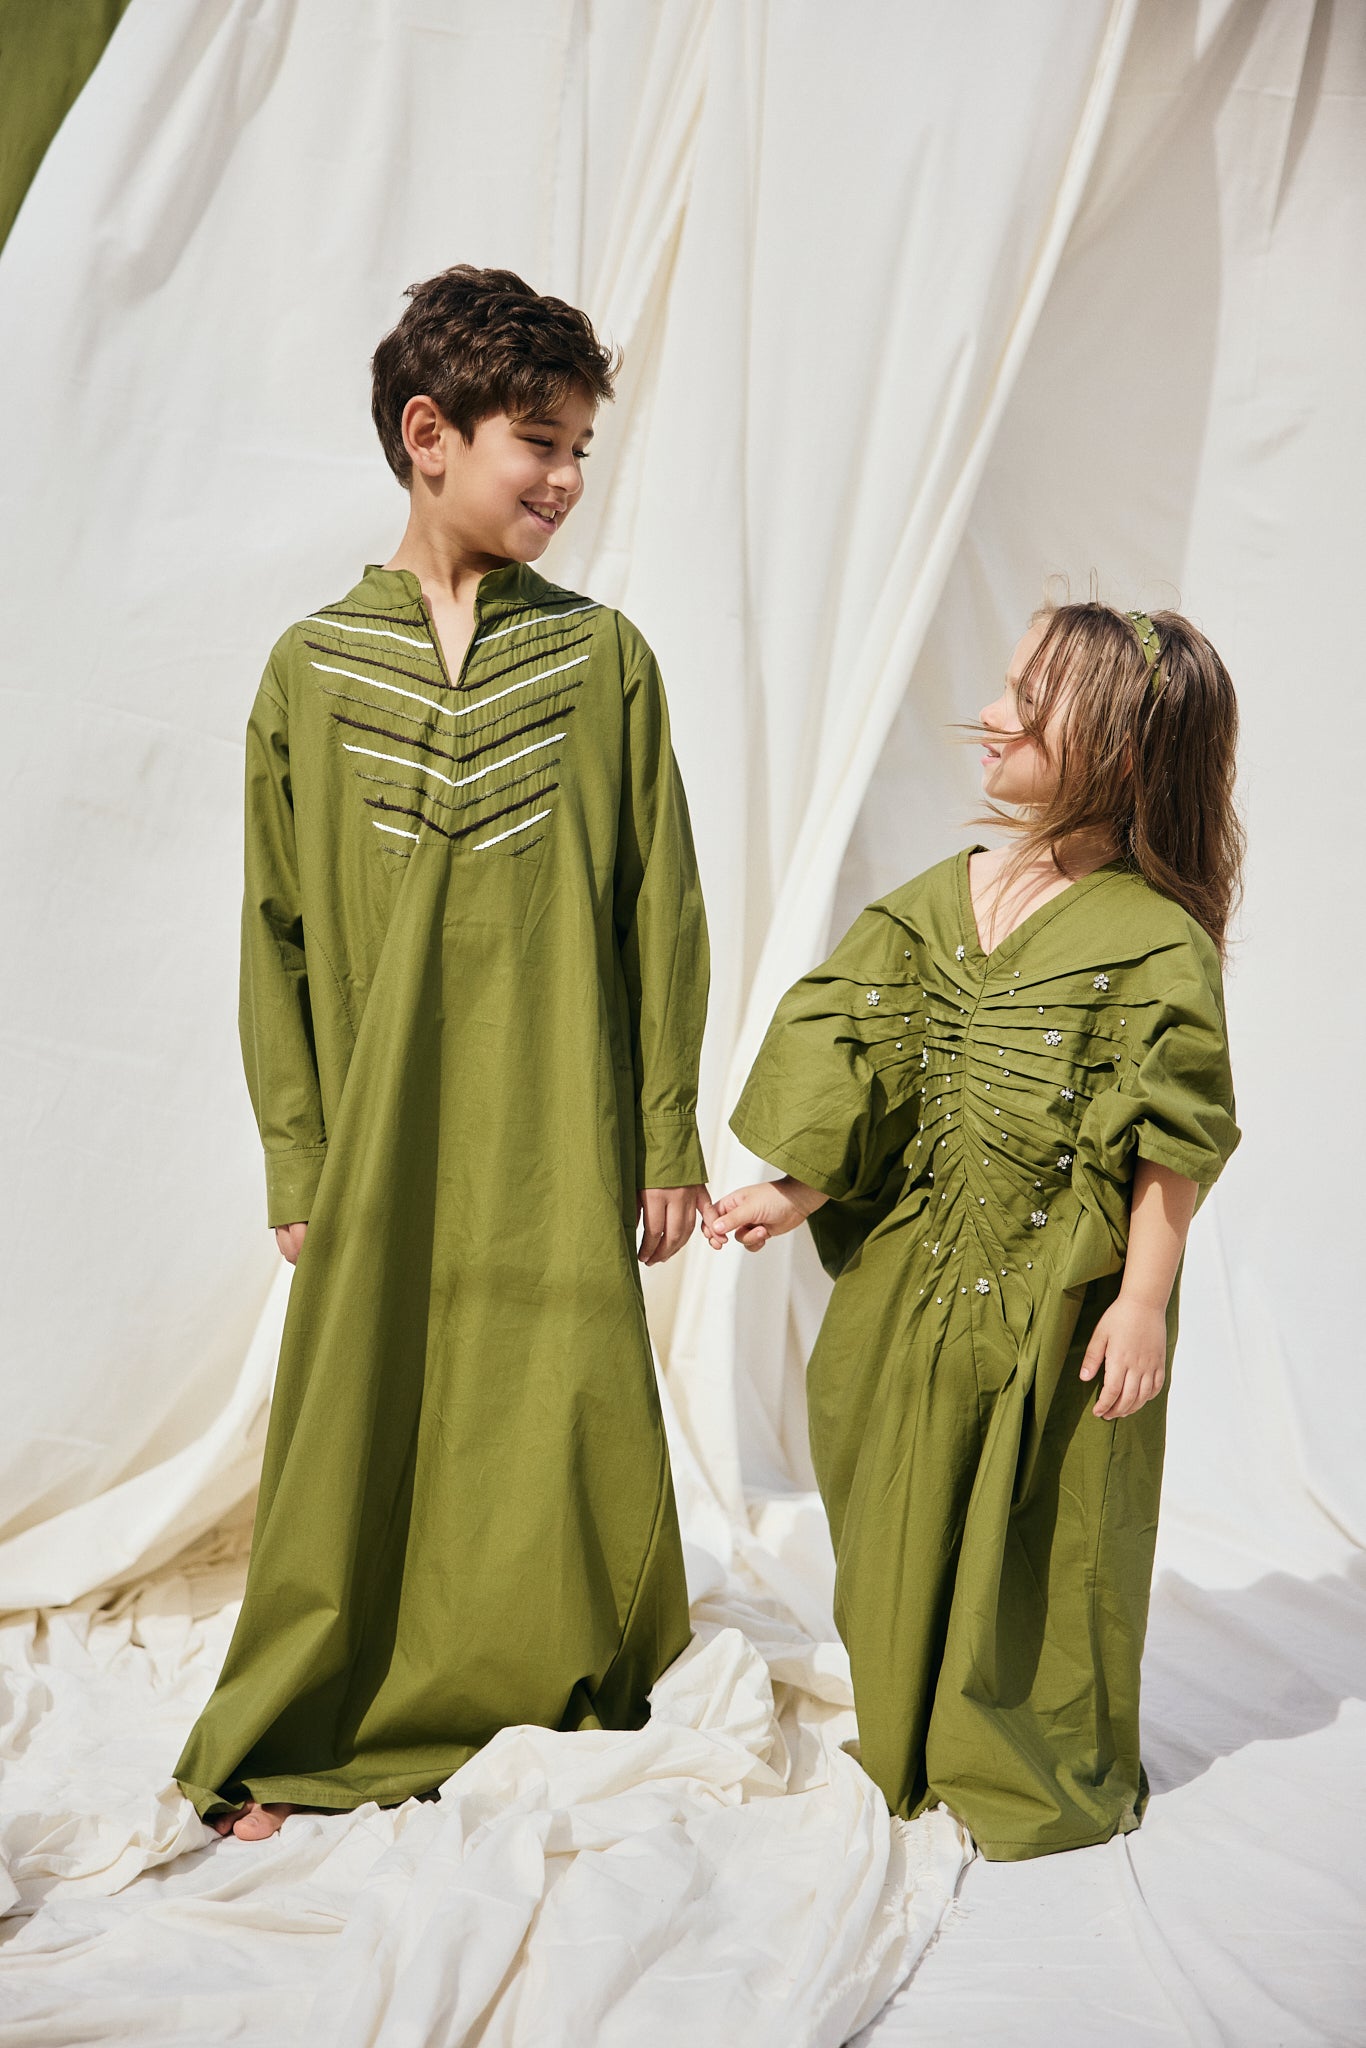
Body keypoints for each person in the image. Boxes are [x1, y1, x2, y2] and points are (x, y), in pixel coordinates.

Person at [175, 266, 714, 1840]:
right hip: (380, 1136)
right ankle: (308, 1719)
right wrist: (297, 1153)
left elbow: (661, 911)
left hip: (558, 1128)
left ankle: (543, 1678)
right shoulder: (312, 669)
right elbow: (274, 934)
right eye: (537, 442)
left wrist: (664, 1131)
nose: (564, 479)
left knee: (551, 1405)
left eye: (580, 452)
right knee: (362, 1418)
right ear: (429, 435)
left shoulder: (603, 663)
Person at [707, 603, 1241, 1860]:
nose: (991, 715)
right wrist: (792, 1189)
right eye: (1007, 687)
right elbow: (872, 1053)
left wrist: (1142, 1300)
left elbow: (1173, 1139)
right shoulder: (941, 898)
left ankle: (1014, 1750)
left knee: (1043, 1525)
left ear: (1114, 746)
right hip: (907, 1285)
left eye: (1029, 704)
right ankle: (906, 1727)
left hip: (1061, 1301)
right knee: (892, 1500)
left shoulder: (1153, 944)